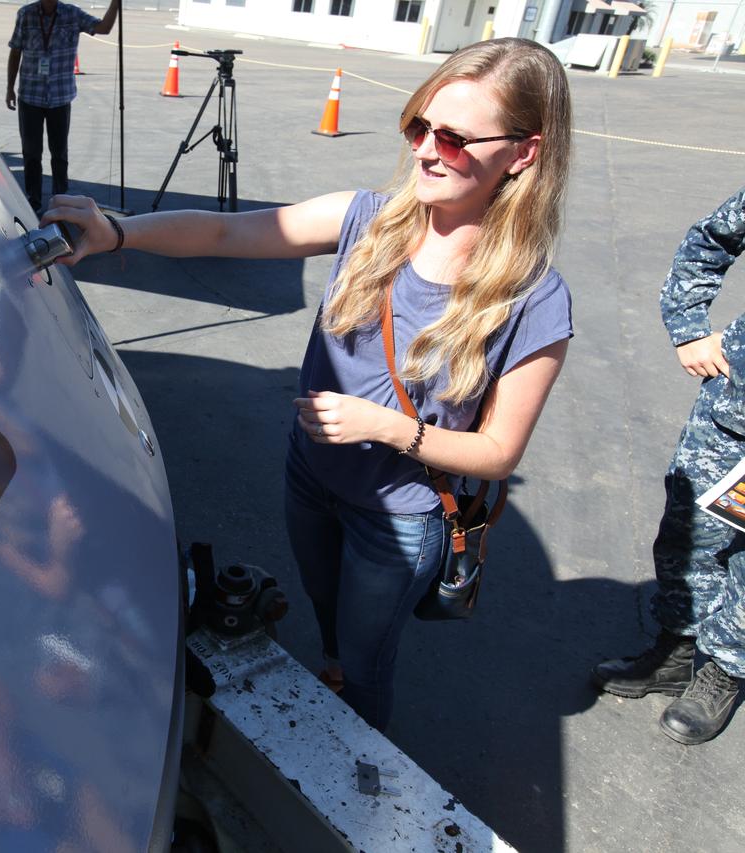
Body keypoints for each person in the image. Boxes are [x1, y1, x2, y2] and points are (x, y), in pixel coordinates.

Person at [43, 38, 573, 731]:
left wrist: (384, 427)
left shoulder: (536, 300)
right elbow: (228, 235)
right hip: (309, 478)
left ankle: (360, 775)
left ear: (522, 153)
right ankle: (332, 661)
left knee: (365, 664)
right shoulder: (367, 220)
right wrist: (117, 231)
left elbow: (500, 452)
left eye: (453, 137)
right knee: (329, 623)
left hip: (398, 524)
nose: (425, 150)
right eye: (419, 126)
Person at [592, 188, 745, 745]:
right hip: (733, 414)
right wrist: (689, 327)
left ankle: (725, 668)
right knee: (688, 537)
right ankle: (677, 646)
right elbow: (711, 239)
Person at [6, 0, 120, 213]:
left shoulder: (72, 14)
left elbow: (103, 28)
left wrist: (115, 4)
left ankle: (60, 199)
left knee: (59, 153)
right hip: (30, 96)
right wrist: (9, 88)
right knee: (31, 153)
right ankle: (33, 201)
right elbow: (15, 51)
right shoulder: (27, 14)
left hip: (60, 97)